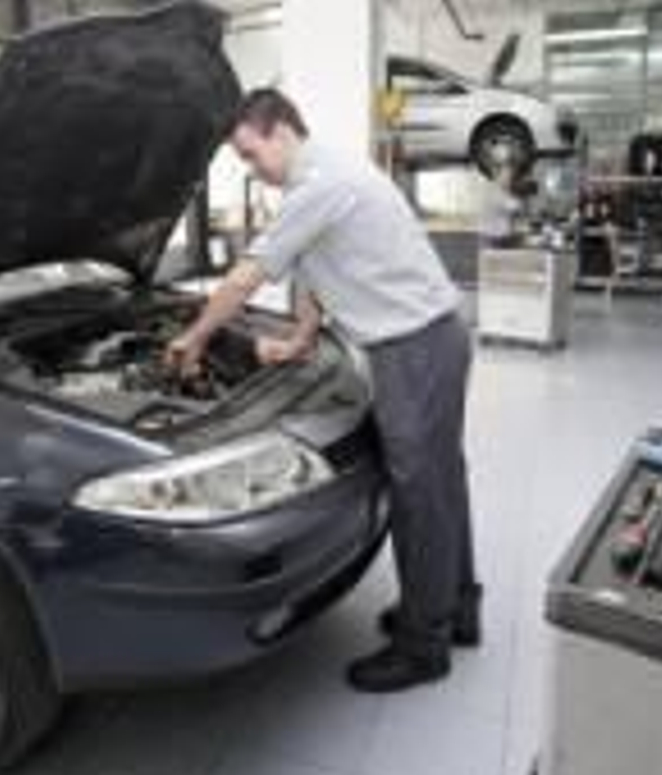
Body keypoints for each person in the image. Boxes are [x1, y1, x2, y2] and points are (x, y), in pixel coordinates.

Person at [165, 88, 480, 693]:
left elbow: (247, 276)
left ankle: (424, 645)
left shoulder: (320, 185)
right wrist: (303, 336)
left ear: (281, 131)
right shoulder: (325, 178)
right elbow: (316, 268)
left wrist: (196, 338)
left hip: (413, 347)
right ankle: (454, 609)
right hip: (427, 340)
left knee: (420, 494)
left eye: (251, 154)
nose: (252, 169)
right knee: (442, 483)